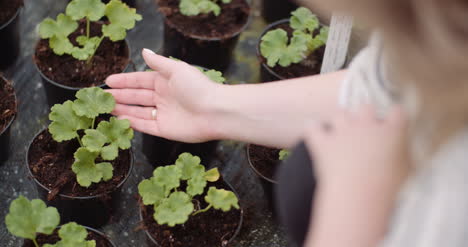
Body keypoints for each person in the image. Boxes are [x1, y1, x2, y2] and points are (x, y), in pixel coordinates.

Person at [105, 0, 468, 246]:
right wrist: (214, 105)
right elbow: (381, 88)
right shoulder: (441, 42)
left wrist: (352, 213)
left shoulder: (451, 202)